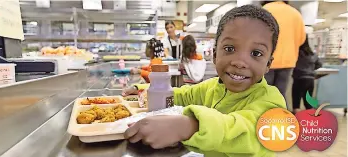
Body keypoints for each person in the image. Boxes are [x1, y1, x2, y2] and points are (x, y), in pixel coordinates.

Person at [122, 5, 285, 156]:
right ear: (215, 55)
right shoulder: (211, 88)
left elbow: (248, 131)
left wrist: (190, 127)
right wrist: (145, 90)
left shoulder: (272, 102)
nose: (240, 62)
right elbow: (183, 95)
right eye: (229, 49)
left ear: (268, 64)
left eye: (256, 53)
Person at [261, 1, 306, 100]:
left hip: (265, 60)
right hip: (288, 61)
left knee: (263, 94)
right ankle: (279, 114)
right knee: (280, 94)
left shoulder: (264, 11)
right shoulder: (295, 14)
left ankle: (263, 115)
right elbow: (302, 39)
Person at [292, 35, 322, 114]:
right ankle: (311, 122)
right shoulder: (312, 54)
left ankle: (297, 122)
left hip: (299, 79)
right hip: (310, 80)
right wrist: (310, 69)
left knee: (296, 102)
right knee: (308, 102)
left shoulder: (296, 53)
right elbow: (319, 64)